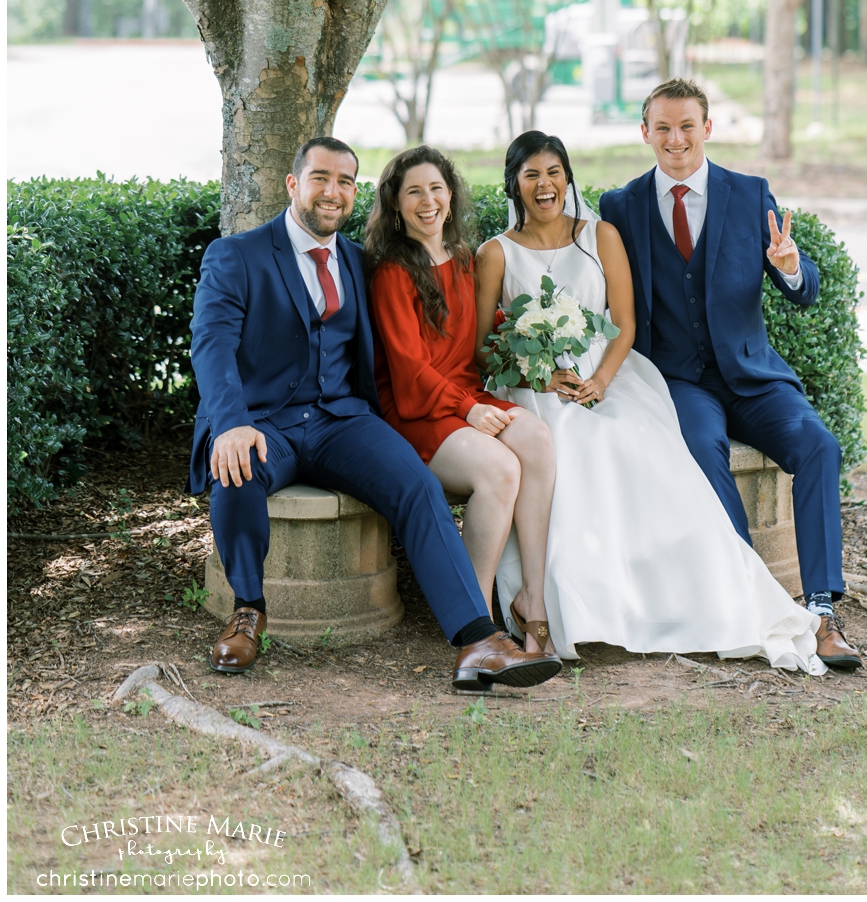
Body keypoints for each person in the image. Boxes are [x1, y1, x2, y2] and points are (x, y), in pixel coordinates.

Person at [188, 136, 561, 693]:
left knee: (417, 486)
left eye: (344, 181)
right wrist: (230, 421)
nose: (332, 191)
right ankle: (248, 612)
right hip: (265, 422)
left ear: (355, 192)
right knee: (235, 471)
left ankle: (478, 640)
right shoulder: (237, 254)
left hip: (344, 421)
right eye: (320, 178)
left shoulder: (361, 263)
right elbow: (211, 342)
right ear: (294, 184)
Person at [474, 130, 825, 674]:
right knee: (572, 445)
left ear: (568, 177)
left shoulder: (601, 234)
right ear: (513, 183)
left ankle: (690, 594)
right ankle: (557, 605)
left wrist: (602, 381)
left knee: (634, 443)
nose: (545, 185)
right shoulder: (495, 254)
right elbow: (482, 347)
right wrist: (540, 377)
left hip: (610, 375)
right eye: (531, 175)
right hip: (534, 386)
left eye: (554, 172)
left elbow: (625, 323)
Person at [597, 79, 862, 669]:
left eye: (687, 126)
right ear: (645, 133)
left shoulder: (749, 194)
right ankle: (748, 596)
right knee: (701, 447)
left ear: (707, 128)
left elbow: (804, 289)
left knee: (818, 446)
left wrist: (792, 270)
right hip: (678, 380)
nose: (675, 139)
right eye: (662, 127)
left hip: (752, 376)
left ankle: (821, 611)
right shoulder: (619, 207)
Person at [363, 145, 557, 651]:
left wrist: (537, 355)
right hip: (418, 409)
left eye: (436, 188)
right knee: (500, 470)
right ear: (396, 203)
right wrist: (468, 408)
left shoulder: (467, 261)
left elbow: (483, 340)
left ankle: (533, 600)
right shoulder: (393, 272)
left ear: (450, 196)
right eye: (413, 192)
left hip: (465, 395)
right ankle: (478, 619)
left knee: (536, 438)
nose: (427, 201)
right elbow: (408, 369)